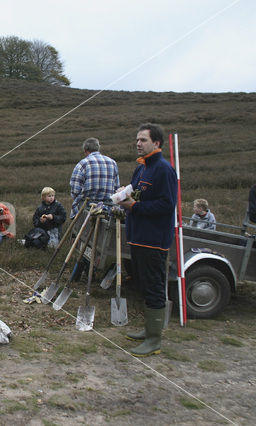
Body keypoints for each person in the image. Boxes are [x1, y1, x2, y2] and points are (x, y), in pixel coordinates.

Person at [119, 123, 177, 357]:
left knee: (154, 286)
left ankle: (154, 339)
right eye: (137, 139)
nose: (138, 143)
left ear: (157, 143)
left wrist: (136, 206)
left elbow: (167, 204)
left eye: (143, 140)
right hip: (137, 236)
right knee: (143, 283)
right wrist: (124, 197)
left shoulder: (164, 169)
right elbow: (135, 193)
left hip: (154, 239)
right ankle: (148, 329)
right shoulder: (141, 169)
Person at [69, 137, 120, 218]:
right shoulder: (113, 163)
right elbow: (116, 188)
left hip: (86, 208)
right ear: (98, 148)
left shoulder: (83, 163)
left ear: (85, 150)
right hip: (108, 208)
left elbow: (75, 190)